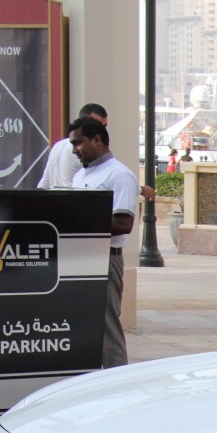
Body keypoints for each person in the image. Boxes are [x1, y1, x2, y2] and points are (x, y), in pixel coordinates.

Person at [68, 116, 137, 368]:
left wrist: (78, 224)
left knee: (107, 327)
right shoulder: (80, 176)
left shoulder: (119, 175)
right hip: (81, 259)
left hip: (105, 259)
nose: (75, 150)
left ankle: (117, 378)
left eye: (78, 143)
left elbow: (123, 223)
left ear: (98, 140)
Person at [38, 103, 155, 199]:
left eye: (104, 126)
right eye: (97, 124)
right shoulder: (83, 151)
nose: (102, 130)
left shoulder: (58, 146)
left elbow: (44, 185)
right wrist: (140, 189)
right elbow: (97, 184)